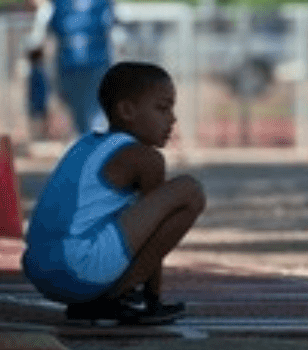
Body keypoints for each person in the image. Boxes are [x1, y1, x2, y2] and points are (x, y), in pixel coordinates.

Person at [21, 61, 205, 324]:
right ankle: (124, 296)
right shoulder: (145, 159)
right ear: (127, 110)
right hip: (77, 268)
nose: (172, 118)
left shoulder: (85, 144)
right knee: (189, 191)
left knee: (106, 219)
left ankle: (95, 302)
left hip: (39, 269)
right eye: (162, 108)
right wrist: (153, 298)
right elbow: (156, 230)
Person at [33, 0, 115, 135]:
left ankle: (97, 144)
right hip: (68, 64)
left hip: (95, 62)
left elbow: (107, 21)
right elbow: (53, 25)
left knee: (95, 105)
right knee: (74, 106)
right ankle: (84, 139)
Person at [25, 45, 51, 140]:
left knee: (38, 122)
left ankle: (40, 137)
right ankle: (40, 137)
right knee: (39, 122)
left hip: (38, 101)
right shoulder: (38, 71)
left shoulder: (36, 71)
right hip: (39, 101)